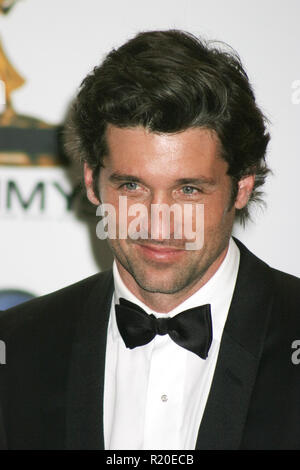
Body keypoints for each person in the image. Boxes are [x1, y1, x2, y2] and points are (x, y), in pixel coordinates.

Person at [0, 29, 299, 451]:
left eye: (189, 190)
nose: (158, 223)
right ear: (91, 182)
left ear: (242, 186)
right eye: (132, 187)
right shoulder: (15, 349)